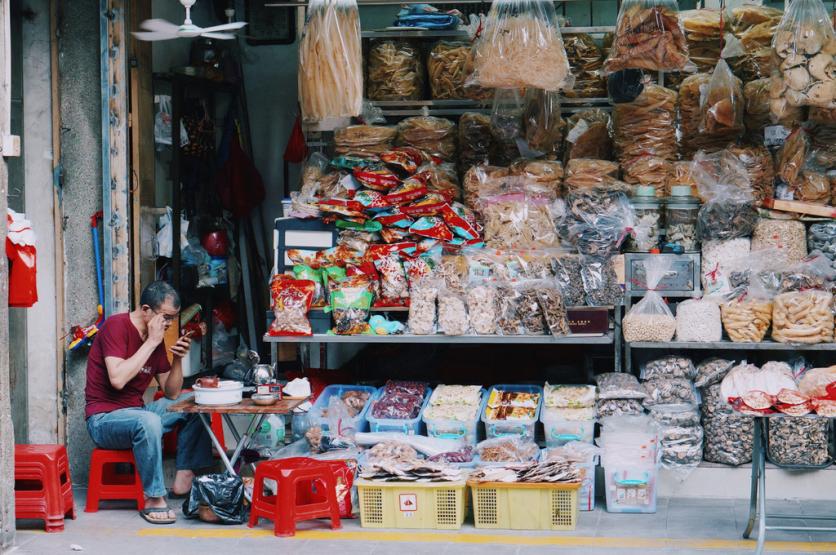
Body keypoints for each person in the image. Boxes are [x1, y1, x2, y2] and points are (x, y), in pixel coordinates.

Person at [85, 280, 213, 524]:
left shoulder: (156, 337)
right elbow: (118, 379)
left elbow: (172, 393)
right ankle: (154, 497)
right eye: (165, 317)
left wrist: (177, 360)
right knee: (149, 420)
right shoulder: (116, 326)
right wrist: (152, 342)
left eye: (172, 319)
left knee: (195, 401)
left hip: (138, 413)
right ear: (146, 310)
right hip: (104, 420)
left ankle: (185, 473)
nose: (168, 324)